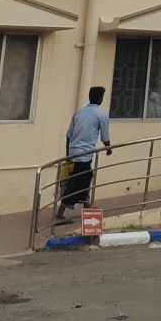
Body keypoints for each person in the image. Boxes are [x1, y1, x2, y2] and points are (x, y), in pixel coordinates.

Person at [55, 86, 112, 224]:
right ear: (100, 98)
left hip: (74, 152)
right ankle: (60, 214)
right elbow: (105, 137)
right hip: (85, 154)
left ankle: (87, 209)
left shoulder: (78, 113)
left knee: (84, 180)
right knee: (76, 183)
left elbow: (69, 135)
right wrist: (108, 149)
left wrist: (68, 154)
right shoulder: (101, 116)